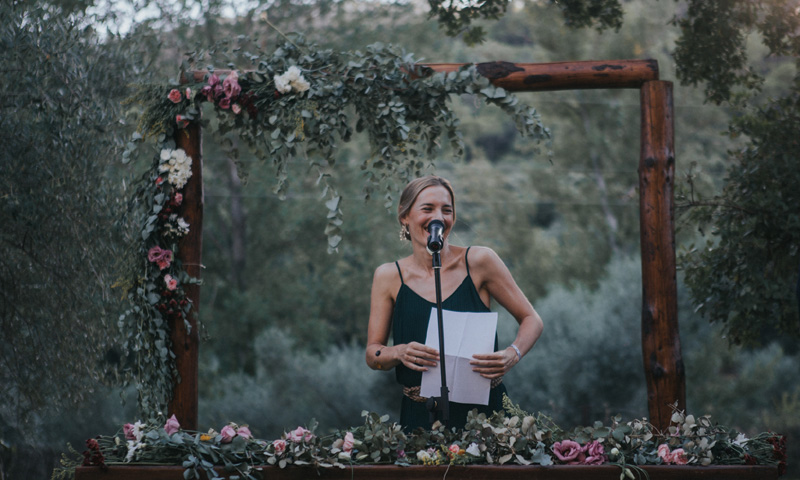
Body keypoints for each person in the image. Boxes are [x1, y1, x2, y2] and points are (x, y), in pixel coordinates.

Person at [365, 175, 544, 431]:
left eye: (446, 210)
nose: (439, 217)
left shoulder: (480, 261)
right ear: (404, 216)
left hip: (485, 418)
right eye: (428, 208)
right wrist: (398, 351)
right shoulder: (387, 276)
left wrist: (512, 354)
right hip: (421, 419)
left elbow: (532, 319)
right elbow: (373, 354)